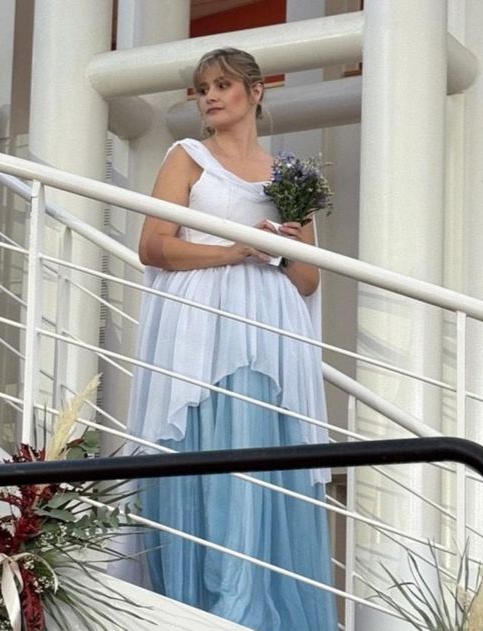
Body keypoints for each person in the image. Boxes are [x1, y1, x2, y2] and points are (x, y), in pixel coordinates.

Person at [127, 47, 338, 631]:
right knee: (207, 446)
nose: (211, 97)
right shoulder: (186, 156)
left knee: (260, 452)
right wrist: (234, 248)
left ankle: (255, 611)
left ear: (256, 90)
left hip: (269, 330)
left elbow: (308, 278)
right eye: (203, 88)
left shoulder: (289, 174)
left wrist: (285, 247)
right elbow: (153, 245)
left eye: (223, 85)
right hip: (202, 323)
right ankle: (207, 608)